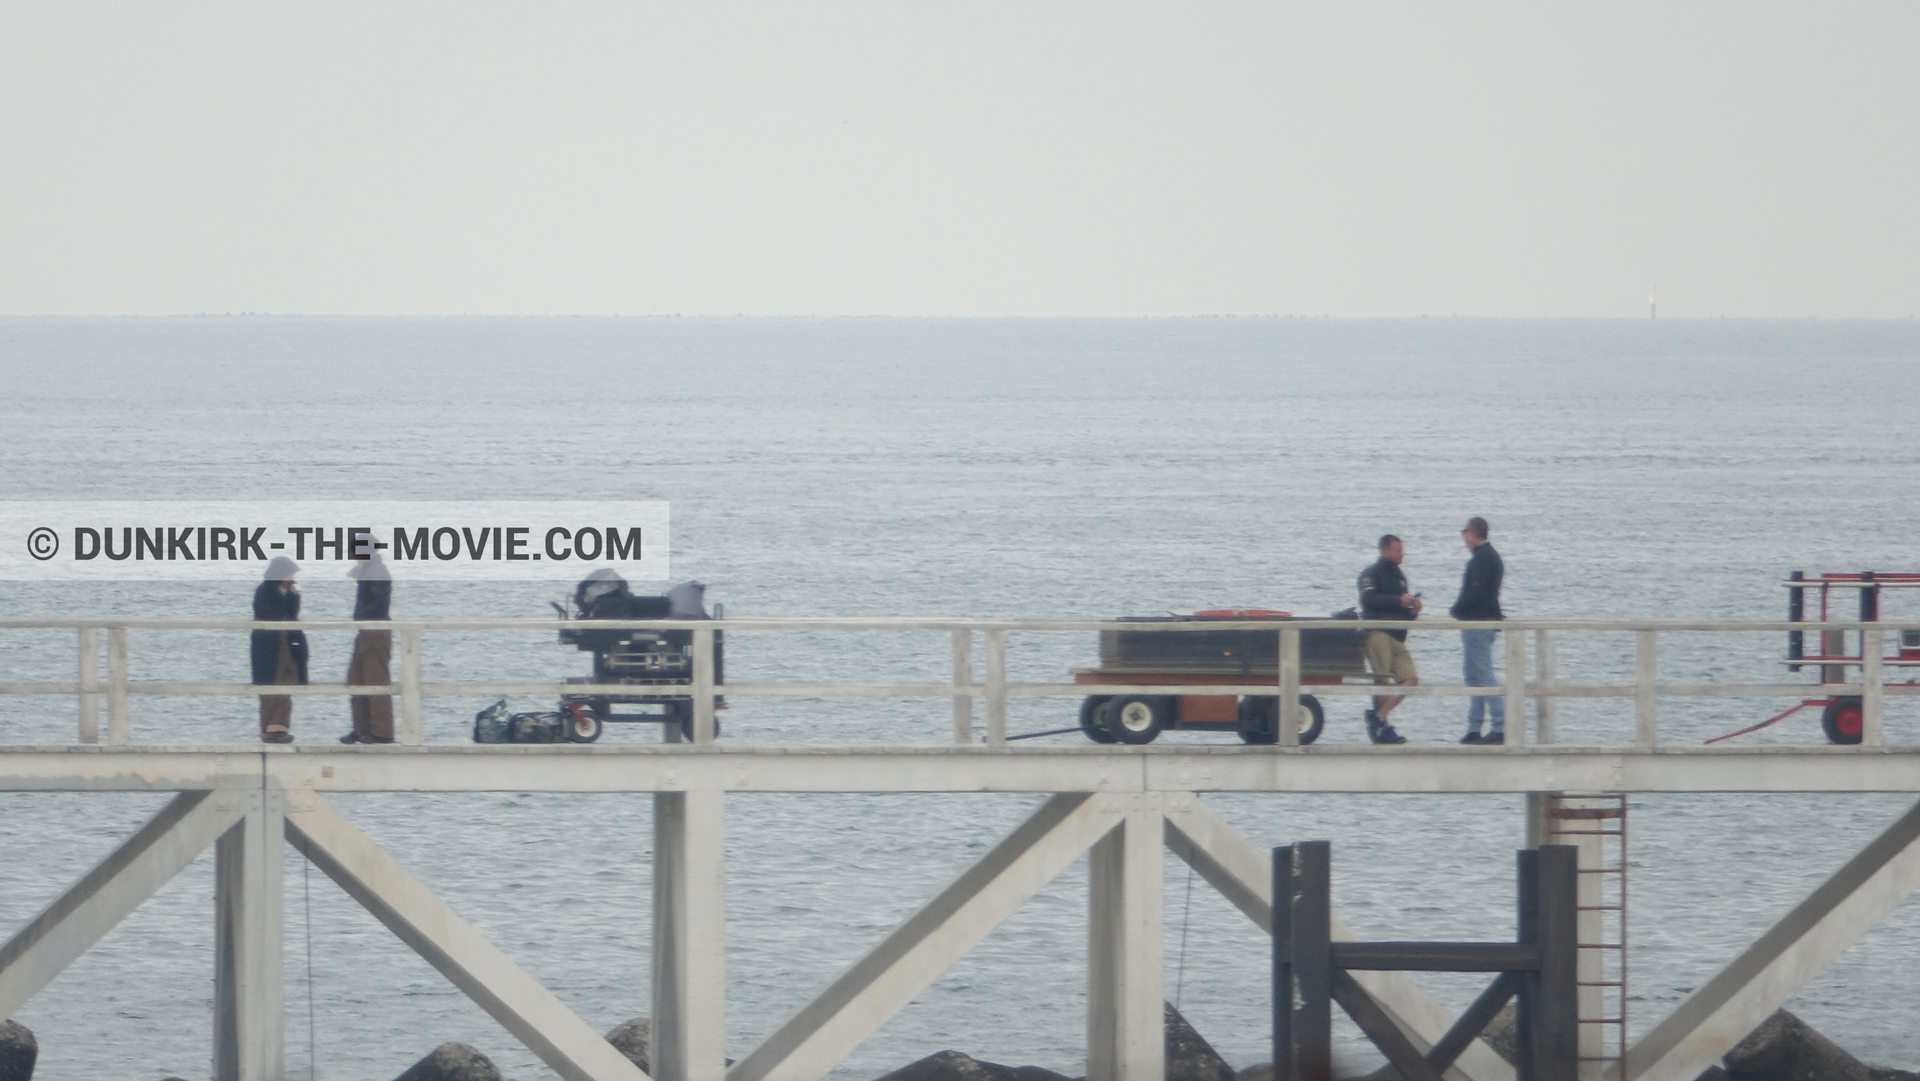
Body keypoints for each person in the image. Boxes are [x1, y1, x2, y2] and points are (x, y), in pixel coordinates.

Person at [1358, 535, 1419, 744]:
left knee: (1410, 679)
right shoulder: (1371, 574)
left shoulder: (1400, 576)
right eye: (1396, 550)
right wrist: (1397, 600)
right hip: (1378, 632)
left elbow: (1401, 608)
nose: (1401, 554)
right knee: (1382, 679)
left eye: (1401, 550)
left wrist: (1412, 610)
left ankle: (1378, 717)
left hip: (1397, 636)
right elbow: (1368, 599)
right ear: (1384, 551)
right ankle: (1383, 729)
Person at [1450, 516, 1506, 744]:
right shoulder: (1489, 557)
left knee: (1482, 673)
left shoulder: (1482, 559)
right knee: (1474, 675)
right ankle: (1474, 727)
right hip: (1481, 620)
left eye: (1465, 532)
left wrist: (1457, 609)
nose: (1464, 537)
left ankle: (1501, 725)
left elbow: (1477, 592)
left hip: (1478, 621)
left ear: (1472, 534)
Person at [251, 557, 308, 743]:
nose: (291, 578)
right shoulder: (264, 591)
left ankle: (280, 727)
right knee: (271, 684)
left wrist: (294, 598)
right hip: (269, 646)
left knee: (286, 681)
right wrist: (289, 598)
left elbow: (291, 616)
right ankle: (269, 730)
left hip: (287, 643)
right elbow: (270, 614)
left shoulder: (289, 590)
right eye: (289, 574)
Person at [341, 552, 395, 744]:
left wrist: (360, 614)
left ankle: (382, 732)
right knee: (356, 679)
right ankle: (361, 728)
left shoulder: (377, 570)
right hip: (365, 632)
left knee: (376, 680)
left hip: (376, 631)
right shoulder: (369, 569)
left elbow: (380, 603)